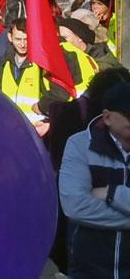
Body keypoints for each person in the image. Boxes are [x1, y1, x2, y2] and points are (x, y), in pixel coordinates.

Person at [60, 82, 130, 278]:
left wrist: (112, 193)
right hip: (88, 270)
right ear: (107, 117)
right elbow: (75, 206)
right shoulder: (79, 145)